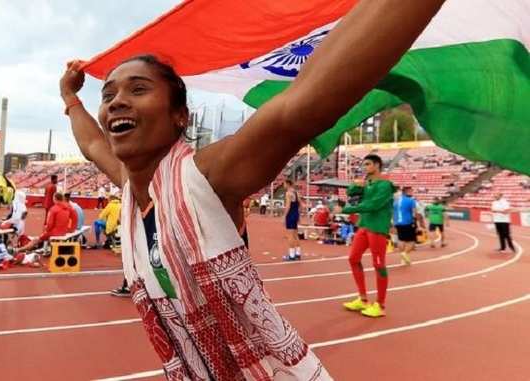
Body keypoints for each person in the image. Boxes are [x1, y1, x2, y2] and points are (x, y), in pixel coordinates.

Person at [61, 0, 443, 376]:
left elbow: (300, 108)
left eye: (138, 89)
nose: (116, 102)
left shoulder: (206, 174)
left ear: (180, 116)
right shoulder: (132, 191)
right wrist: (71, 98)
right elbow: (93, 146)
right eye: (108, 95)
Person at [341, 154, 396, 318]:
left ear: (377, 165)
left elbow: (373, 205)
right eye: (363, 164)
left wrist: (346, 210)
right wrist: (354, 185)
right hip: (364, 226)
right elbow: (351, 193)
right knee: (353, 258)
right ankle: (363, 299)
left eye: (367, 164)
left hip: (377, 228)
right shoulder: (367, 184)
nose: (364, 167)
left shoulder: (385, 185)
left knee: (379, 264)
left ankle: (380, 304)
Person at [393, 186, 421, 265]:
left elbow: (393, 212)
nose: (412, 193)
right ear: (407, 192)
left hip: (398, 223)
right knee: (412, 241)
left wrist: (393, 223)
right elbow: (414, 213)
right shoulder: (411, 201)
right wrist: (417, 223)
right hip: (408, 223)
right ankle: (405, 253)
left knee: (401, 240)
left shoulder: (396, 201)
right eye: (411, 191)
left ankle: (403, 259)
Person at [283, 179, 302, 261]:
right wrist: (299, 215)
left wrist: (284, 216)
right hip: (296, 214)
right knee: (295, 235)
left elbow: (288, 206)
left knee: (290, 235)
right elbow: (300, 204)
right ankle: (298, 253)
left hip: (290, 214)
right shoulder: (296, 192)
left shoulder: (288, 193)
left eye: (284, 184)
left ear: (287, 184)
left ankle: (291, 255)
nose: (283, 186)